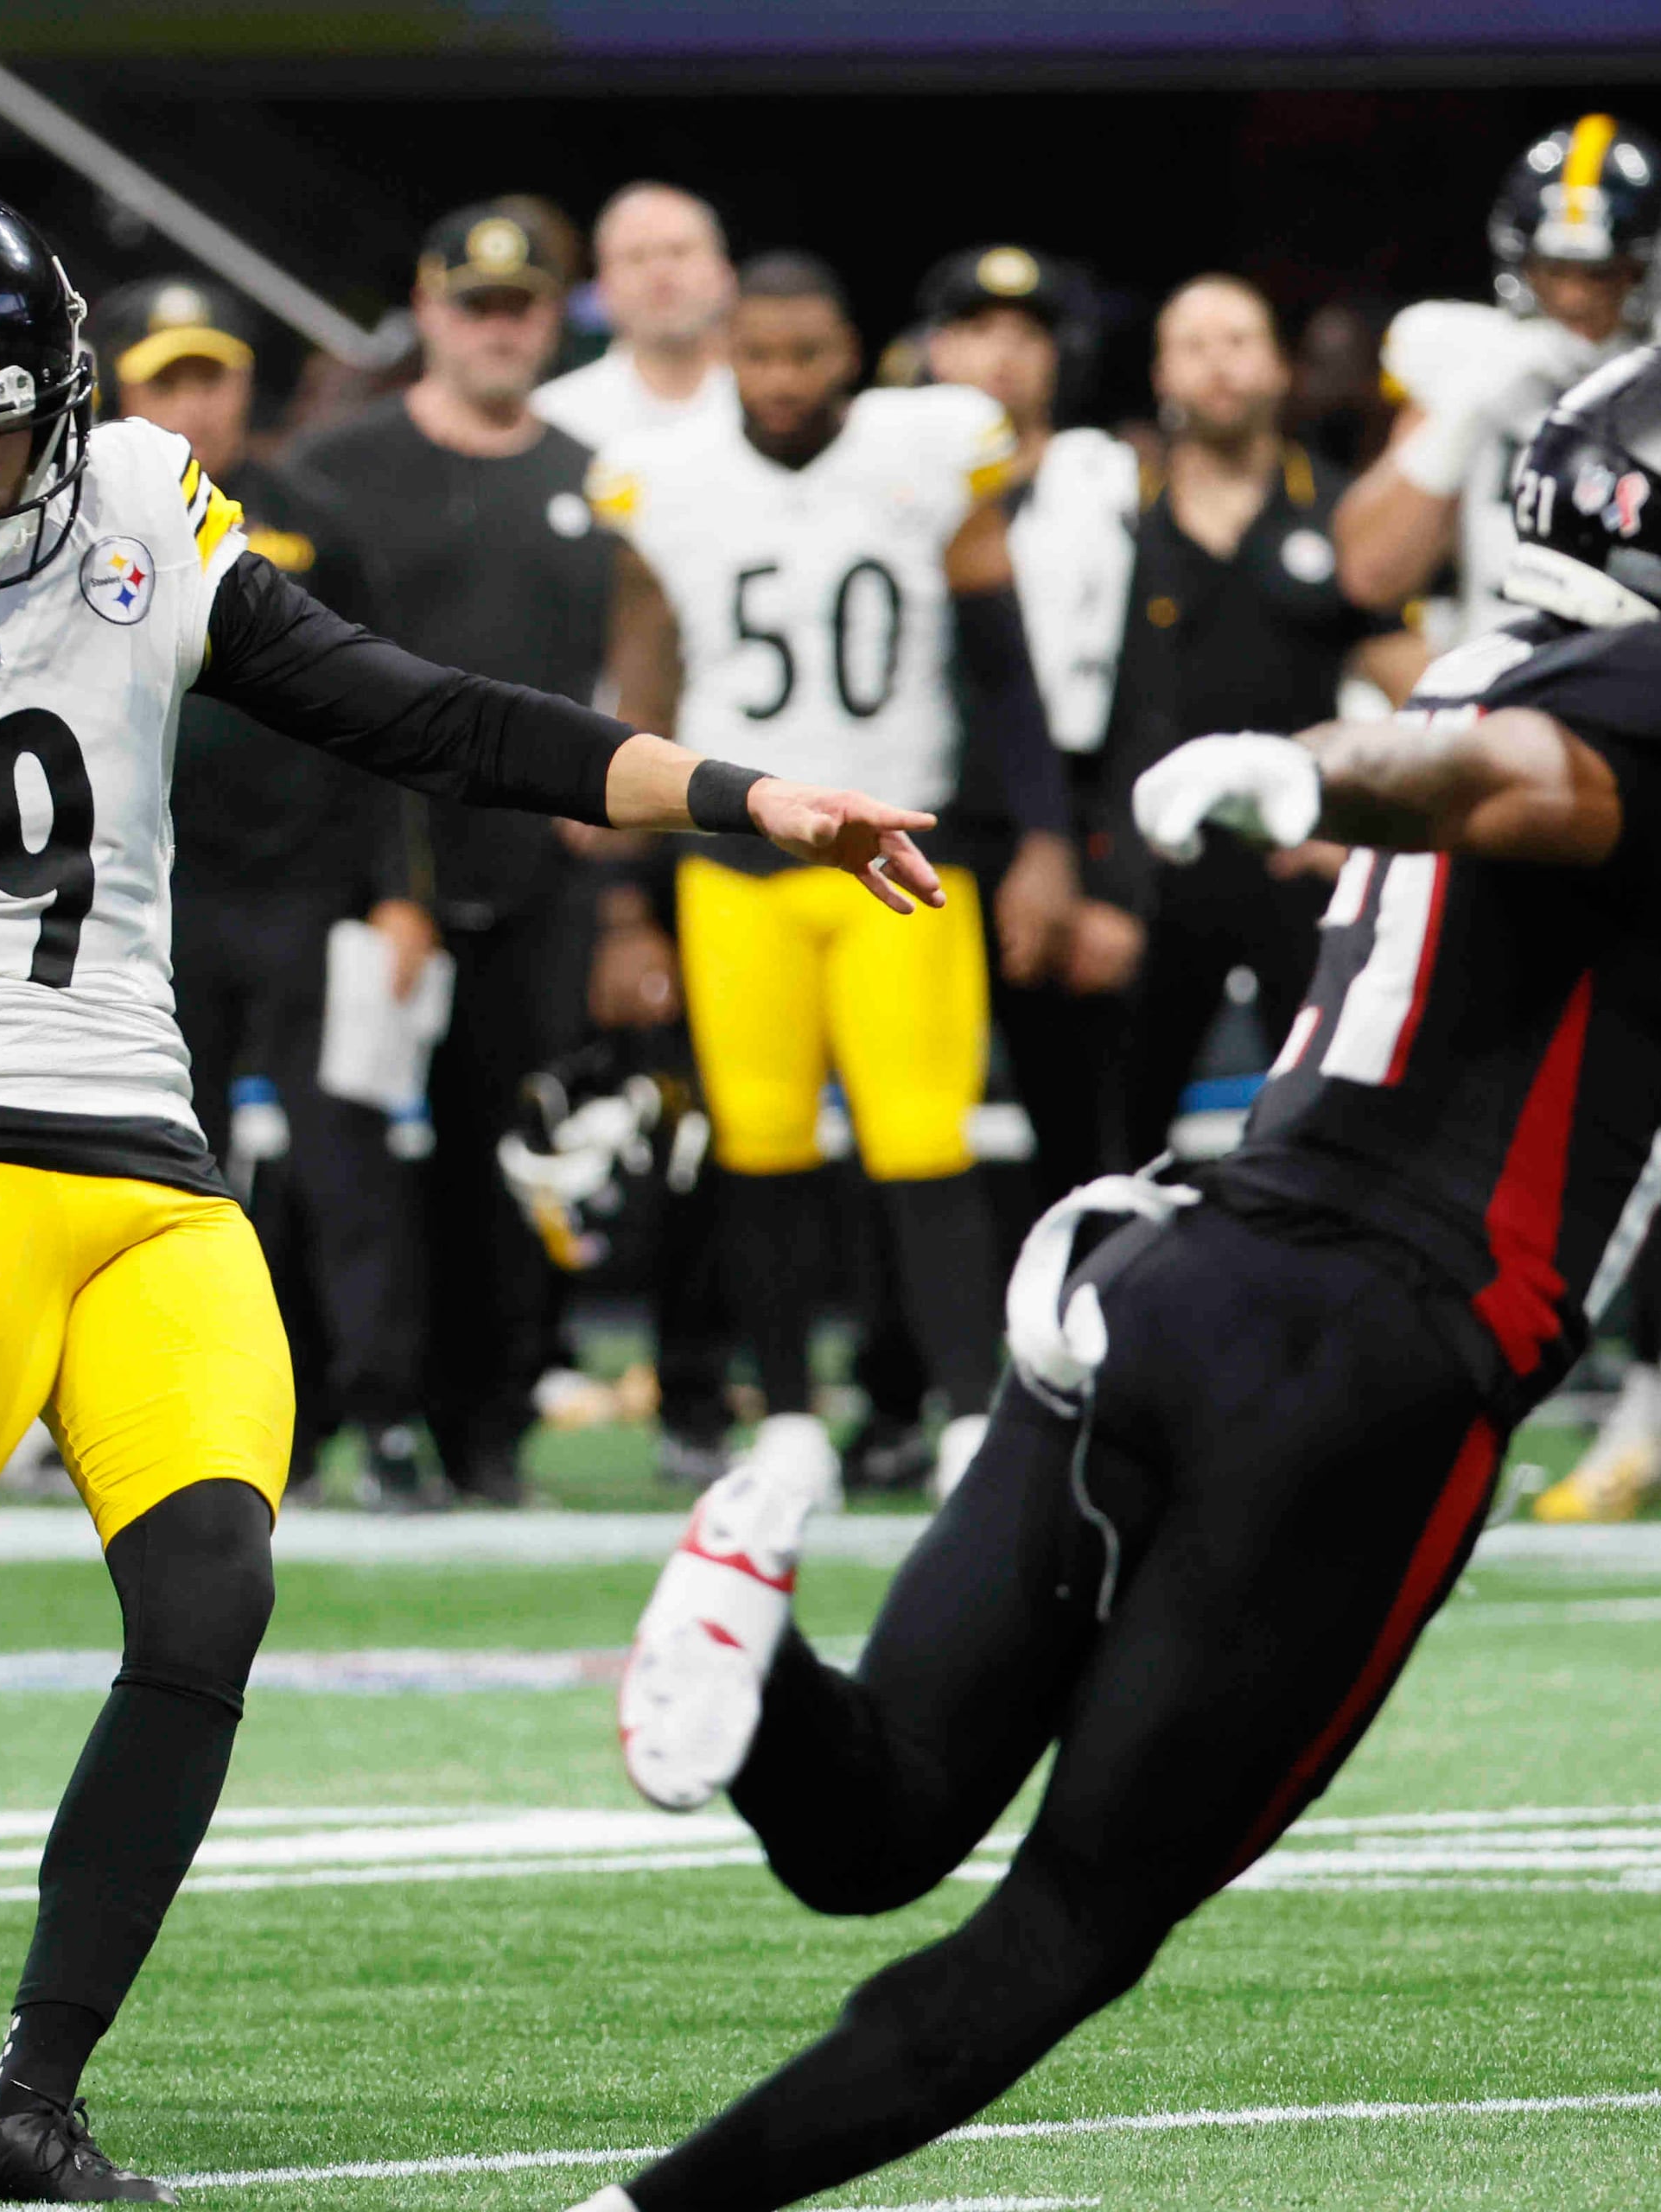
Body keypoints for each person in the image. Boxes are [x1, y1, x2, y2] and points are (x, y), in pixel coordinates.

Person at [0, 177, 945, 2201]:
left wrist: (740, 796)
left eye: (17, 422)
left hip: (146, 1169)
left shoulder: (139, 515)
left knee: (209, 1598)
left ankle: (32, 2097)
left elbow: (423, 716)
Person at [587, 343, 1661, 2212]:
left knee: (877, 1820)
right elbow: (1489, 778)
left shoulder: (1497, 641)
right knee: (1080, 1912)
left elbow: (1463, 749)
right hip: (1376, 1349)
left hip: (1175, 1264)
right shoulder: (1598, 700)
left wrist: (1300, 764)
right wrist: (1306, 763)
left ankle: (748, 1675)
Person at [593, 251, 1079, 1504]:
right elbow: (642, 702)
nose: (784, 379)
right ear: (727, 356)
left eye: (806, 354)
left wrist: (1043, 840)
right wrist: (618, 902)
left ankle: (970, 1409)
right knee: (757, 1147)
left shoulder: (932, 455)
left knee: (927, 1143)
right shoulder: (669, 486)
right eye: (760, 354)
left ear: (851, 351)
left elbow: (1001, 665)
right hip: (735, 864)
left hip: (898, 851)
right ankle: (793, 1424)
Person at [295, 200, 634, 1502]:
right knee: (350, 1163)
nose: (498, 328)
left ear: (552, 320)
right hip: (370, 876)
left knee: (514, 1161)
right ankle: (337, 1416)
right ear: (428, 310)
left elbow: (640, 659)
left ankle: (487, 1433)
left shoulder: (594, 475)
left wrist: (618, 885)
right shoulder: (336, 470)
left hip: (538, 874)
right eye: (475, 304)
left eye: (522, 306)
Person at [92, 273, 430, 1502]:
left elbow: (386, 713)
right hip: (141, 903)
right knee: (151, 1170)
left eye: (209, 377)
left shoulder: (311, 522)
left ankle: (379, 1415)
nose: (192, 404)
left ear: (244, 387)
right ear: (121, 392)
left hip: (306, 895)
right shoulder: (72, 524)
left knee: (345, 1164)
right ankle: (147, 1415)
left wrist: (401, 889)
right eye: (165, 379)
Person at [1098, 276, 1422, 1170]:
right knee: (1117, 1136)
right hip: (1147, 877)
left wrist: (1364, 833)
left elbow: (1424, 694)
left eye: (1239, 340)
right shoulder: (1109, 515)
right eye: (1195, 344)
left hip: (1301, 862)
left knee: (1324, 1128)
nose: (1219, 365)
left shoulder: (1348, 511)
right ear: (1161, 370)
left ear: (1280, 366)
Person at [914, 244, 1142, 1210]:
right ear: (933, 349)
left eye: (1025, 335)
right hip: (922, 805)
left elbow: (1145, 684)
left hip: (1067, 807)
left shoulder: (1116, 484)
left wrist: (1114, 877)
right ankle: (908, 1354)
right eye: (975, 332)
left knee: (1078, 1105)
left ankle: (1087, 1325)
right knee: (915, 1102)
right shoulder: (885, 478)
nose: (1001, 356)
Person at [1332, 112, 1656, 639]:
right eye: (1554, 268)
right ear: (1521, 261)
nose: (1574, 296)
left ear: (1643, 268)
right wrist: (1467, 408)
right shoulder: (1468, 357)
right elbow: (1369, 573)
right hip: (1496, 674)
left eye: (1600, 272)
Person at [531, 182, 737, 453]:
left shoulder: (780, 407)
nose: (660, 273)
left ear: (724, 271)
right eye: (636, 257)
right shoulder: (551, 420)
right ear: (602, 286)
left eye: (679, 251)